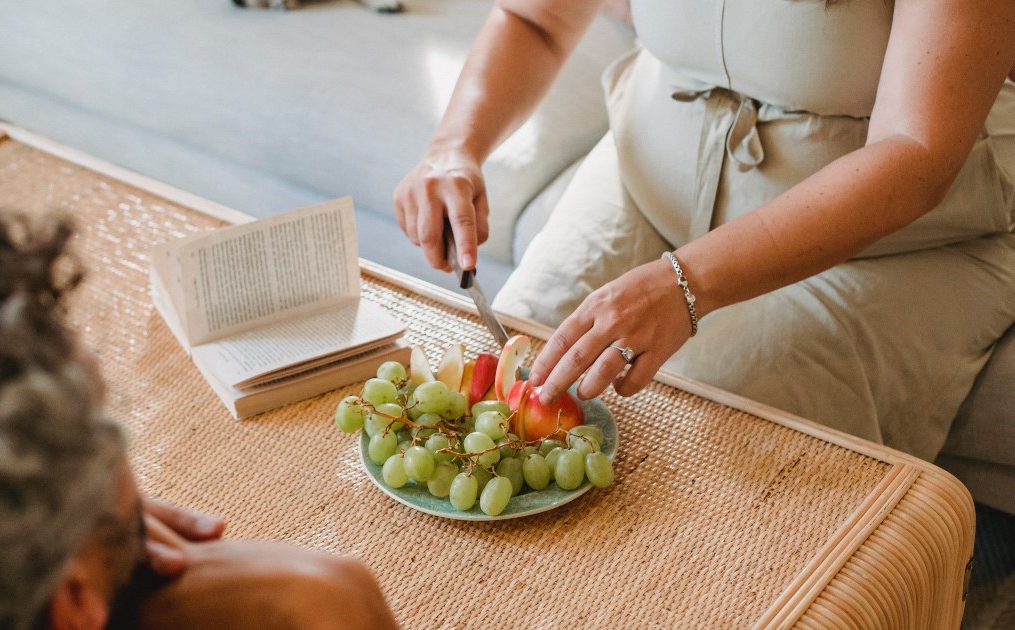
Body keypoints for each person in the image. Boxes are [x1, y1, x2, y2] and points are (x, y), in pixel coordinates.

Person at [393, 0, 1015, 461]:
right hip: (648, 182)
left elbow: (918, 151)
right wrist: (454, 146)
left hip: (892, 241)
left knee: (701, 440)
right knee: (511, 371)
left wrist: (684, 284)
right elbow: (535, 19)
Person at [0, 189, 397, 629]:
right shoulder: (328, 600)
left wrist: (82, 531)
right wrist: (336, 598)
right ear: (72, 601)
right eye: (101, 432)